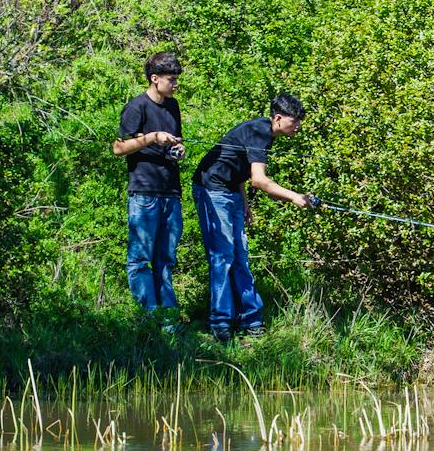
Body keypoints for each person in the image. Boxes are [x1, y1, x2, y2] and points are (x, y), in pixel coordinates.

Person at [192, 93, 315, 342]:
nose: (298, 126)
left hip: (231, 192)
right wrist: (294, 196)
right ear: (278, 118)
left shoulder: (265, 134)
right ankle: (221, 323)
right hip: (211, 190)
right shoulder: (261, 131)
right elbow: (259, 180)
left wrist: (244, 203)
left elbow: (241, 171)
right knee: (222, 256)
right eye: (295, 121)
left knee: (240, 256)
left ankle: (251, 320)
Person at [113, 52, 185, 319]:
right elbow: (119, 148)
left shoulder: (173, 106)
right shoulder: (137, 107)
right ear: (155, 79)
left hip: (171, 192)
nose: (175, 84)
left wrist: (178, 148)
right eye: (171, 79)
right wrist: (152, 138)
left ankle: (168, 318)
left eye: (176, 79)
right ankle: (149, 317)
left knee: (165, 260)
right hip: (144, 194)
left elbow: (177, 141)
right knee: (141, 260)